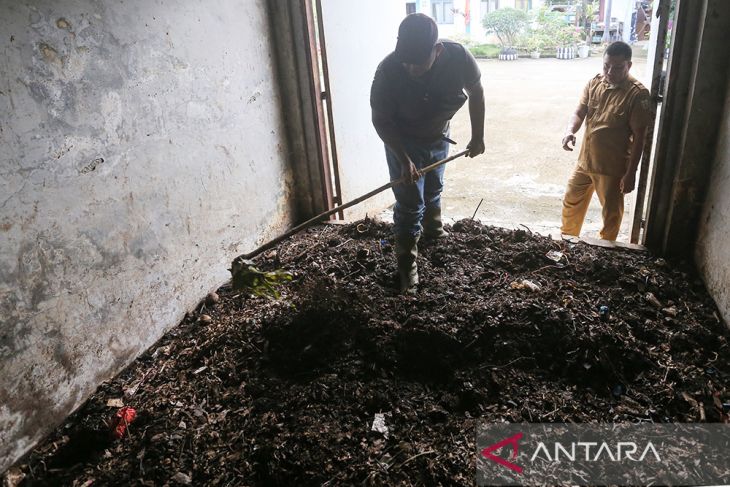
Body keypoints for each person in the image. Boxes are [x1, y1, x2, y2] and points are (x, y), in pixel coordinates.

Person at [370, 13, 485, 293]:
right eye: (405, 60)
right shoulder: (388, 71)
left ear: (438, 50)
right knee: (410, 203)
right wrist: (404, 159)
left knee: (434, 187)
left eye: (417, 62)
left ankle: (433, 230)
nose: (410, 68)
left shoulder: (458, 57)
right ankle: (407, 265)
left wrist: (478, 135)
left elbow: (476, 91)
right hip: (403, 141)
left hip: (437, 135)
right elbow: (380, 120)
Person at [560, 41, 651, 241]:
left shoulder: (637, 95)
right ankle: (567, 241)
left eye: (617, 67)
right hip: (585, 162)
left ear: (629, 65)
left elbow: (640, 137)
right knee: (571, 200)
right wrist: (570, 131)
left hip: (612, 168)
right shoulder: (594, 83)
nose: (610, 72)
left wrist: (631, 173)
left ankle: (606, 249)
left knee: (611, 213)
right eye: (606, 66)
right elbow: (580, 111)